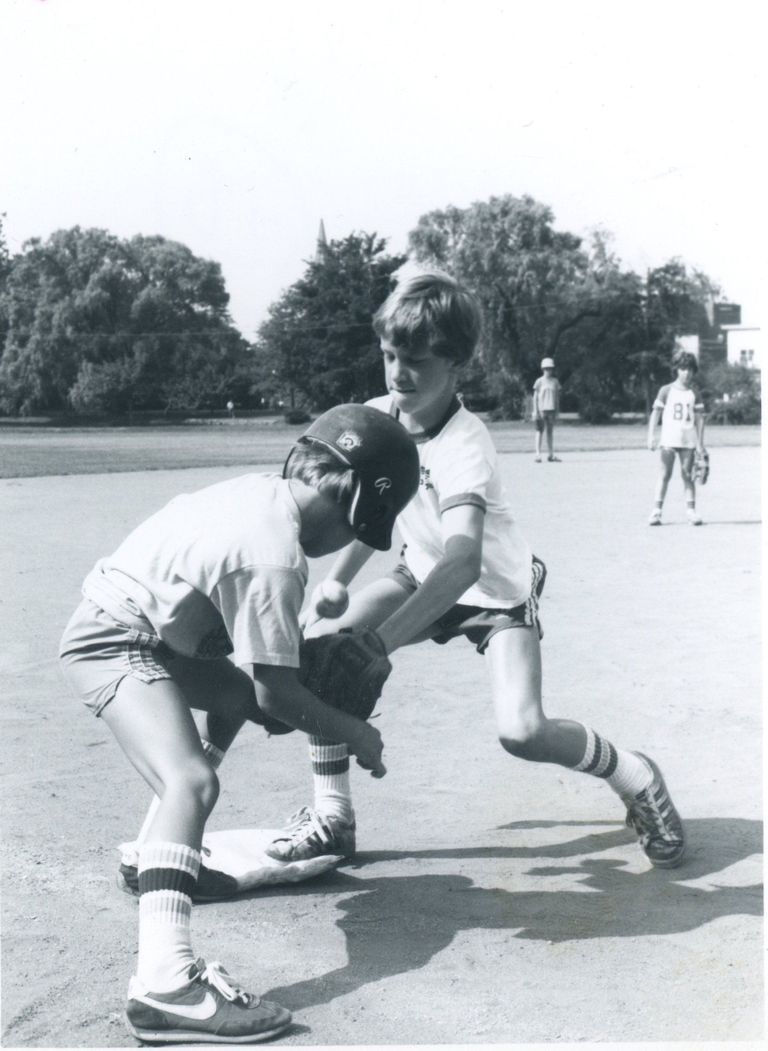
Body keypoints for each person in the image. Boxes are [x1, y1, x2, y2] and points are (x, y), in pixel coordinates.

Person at [266, 269, 686, 872]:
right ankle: (332, 817)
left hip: (494, 593)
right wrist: (336, 580)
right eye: (388, 355)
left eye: (414, 360)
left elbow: (462, 562)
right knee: (325, 655)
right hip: (419, 574)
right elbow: (370, 513)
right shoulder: (377, 419)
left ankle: (636, 775)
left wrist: (381, 641)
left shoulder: (465, 443)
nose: (396, 373)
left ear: (457, 362)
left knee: (523, 732)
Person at [58, 404, 419, 1045]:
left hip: (147, 630)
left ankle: (157, 856)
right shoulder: (275, 558)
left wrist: (283, 694)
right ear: (359, 499)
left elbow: (253, 687)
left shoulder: (261, 497)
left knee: (241, 712)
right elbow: (276, 694)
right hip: (116, 642)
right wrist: (354, 732)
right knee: (191, 783)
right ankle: (165, 989)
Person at [647, 350, 706, 525]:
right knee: (664, 474)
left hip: (687, 442)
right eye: (682, 368)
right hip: (668, 440)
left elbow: (700, 419)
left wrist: (700, 444)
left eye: (689, 369)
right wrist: (651, 436)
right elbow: (655, 414)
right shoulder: (666, 390)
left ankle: (691, 512)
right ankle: (656, 512)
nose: (686, 373)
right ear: (676, 370)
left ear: (694, 371)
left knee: (688, 475)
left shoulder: (694, 393)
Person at [532, 357, 561, 462]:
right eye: (546, 368)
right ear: (543, 369)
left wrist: (557, 411)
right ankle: (538, 454)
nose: (549, 370)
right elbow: (535, 397)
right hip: (541, 410)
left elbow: (557, 397)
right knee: (539, 431)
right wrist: (535, 411)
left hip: (551, 409)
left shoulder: (555, 381)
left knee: (550, 432)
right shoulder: (539, 381)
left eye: (550, 368)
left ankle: (551, 454)